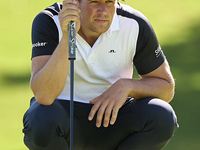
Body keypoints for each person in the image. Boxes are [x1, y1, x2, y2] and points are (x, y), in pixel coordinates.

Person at [22, 0, 178, 149]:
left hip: (114, 118)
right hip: (65, 121)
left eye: (110, 2)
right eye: (94, 1)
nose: (103, 11)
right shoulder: (49, 20)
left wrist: (127, 86)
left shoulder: (134, 23)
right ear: (75, 2)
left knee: (161, 116)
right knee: (40, 119)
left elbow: (166, 88)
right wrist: (67, 37)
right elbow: (44, 95)